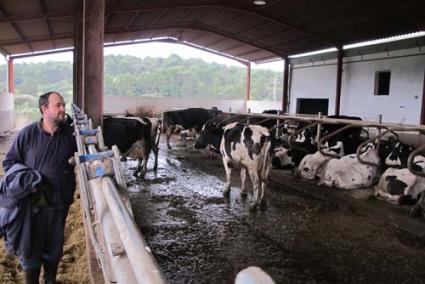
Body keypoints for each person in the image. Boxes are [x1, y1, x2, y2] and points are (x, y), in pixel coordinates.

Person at [2, 91, 77, 284]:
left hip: (58, 207)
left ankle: (50, 280)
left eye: (63, 105)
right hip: (31, 208)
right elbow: (9, 163)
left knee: (54, 251)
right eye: (58, 105)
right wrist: (27, 182)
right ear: (44, 109)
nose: (63, 109)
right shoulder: (27, 134)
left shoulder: (70, 136)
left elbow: (83, 162)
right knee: (30, 253)